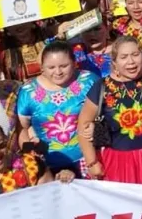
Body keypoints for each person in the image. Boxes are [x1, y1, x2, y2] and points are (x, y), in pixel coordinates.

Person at [77, 36, 142, 185]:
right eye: (123, 57)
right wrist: (92, 163)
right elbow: (83, 124)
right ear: (115, 63)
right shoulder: (102, 87)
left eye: (135, 55)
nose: (131, 62)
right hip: (120, 162)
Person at [16, 42, 98, 177]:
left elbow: (106, 113)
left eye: (64, 66)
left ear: (74, 62)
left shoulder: (89, 81)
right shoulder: (28, 92)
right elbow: (22, 129)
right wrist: (33, 157)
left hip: (89, 159)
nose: (58, 72)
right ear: (42, 67)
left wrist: (96, 126)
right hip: (48, 166)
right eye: (51, 67)